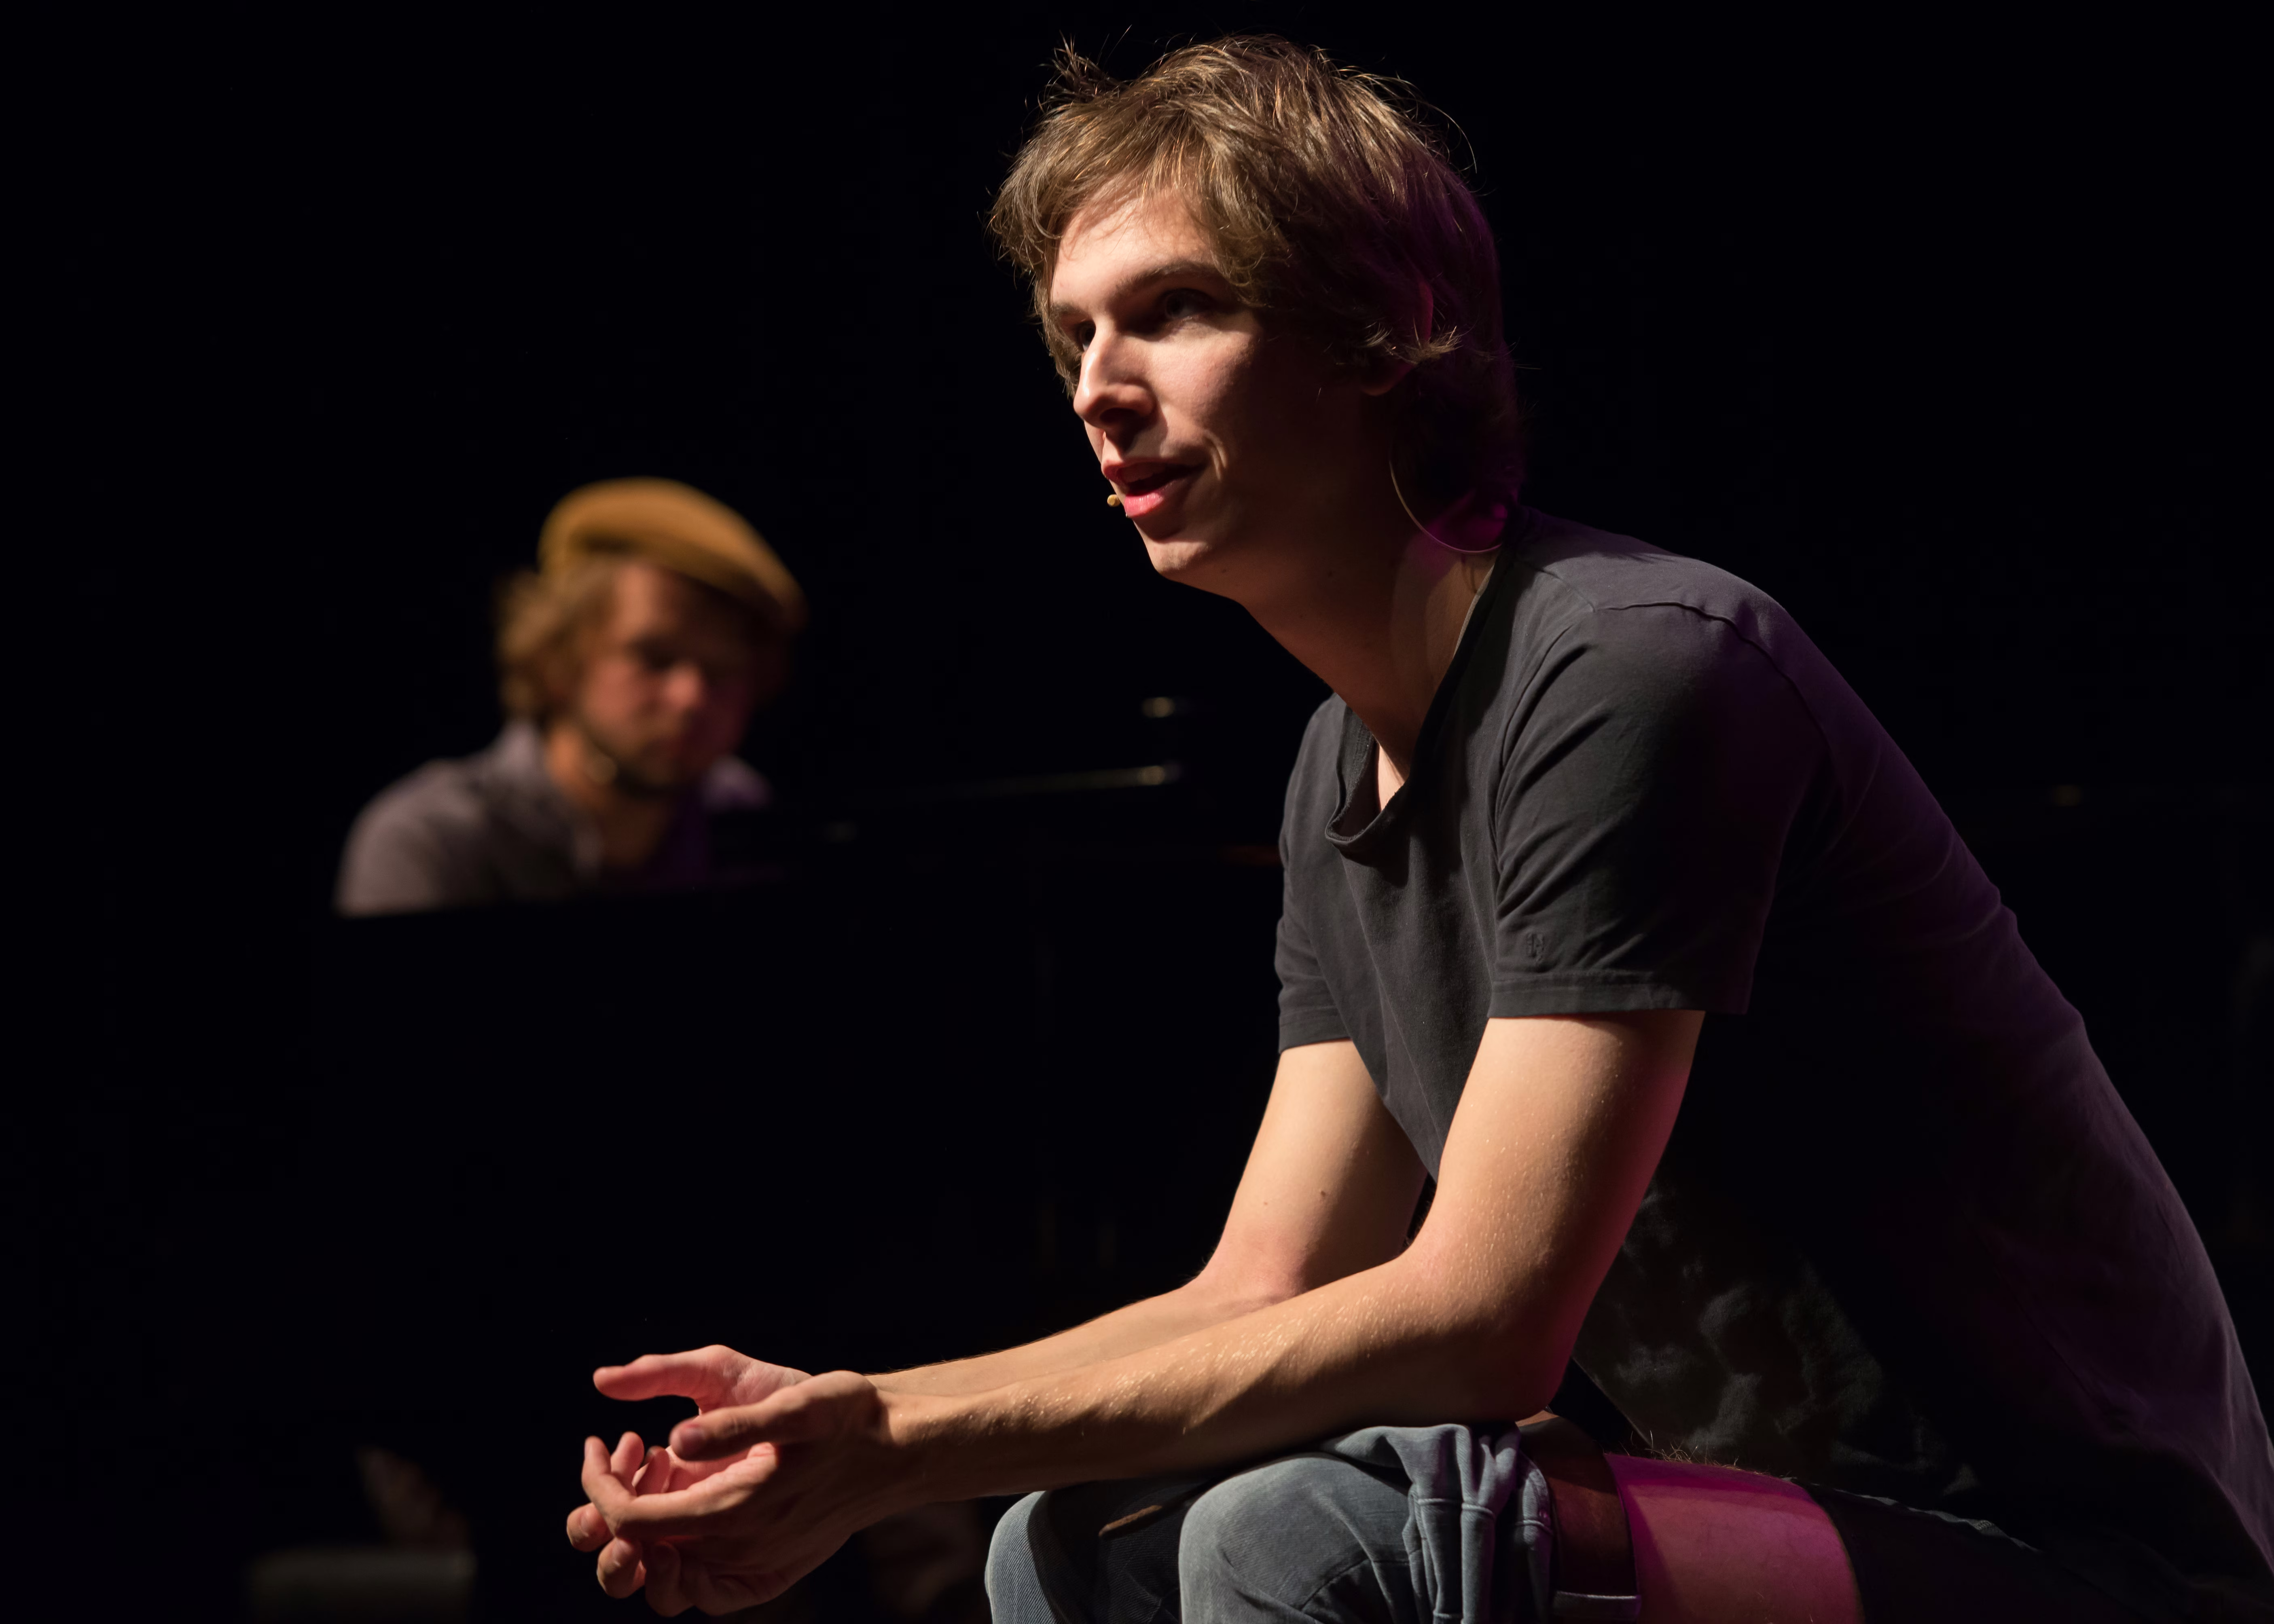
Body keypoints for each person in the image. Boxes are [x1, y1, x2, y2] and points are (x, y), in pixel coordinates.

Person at [562, 38, 2274, 1622]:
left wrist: (895, 1449)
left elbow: (1481, 1320)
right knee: (1067, 1534)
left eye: (1172, 311)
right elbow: (1260, 1284)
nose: (1097, 386)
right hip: (1775, 1515)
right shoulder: (1339, 767)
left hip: (2077, 1554)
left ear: (1381, 333)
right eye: (1075, 333)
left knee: (1302, 1526)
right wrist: (842, 1421)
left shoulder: (1628, 667)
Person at [336, 478, 803, 915]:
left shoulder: (747, 818)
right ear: (560, 660)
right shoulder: (436, 842)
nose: (690, 698)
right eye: (654, 657)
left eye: (722, 671)